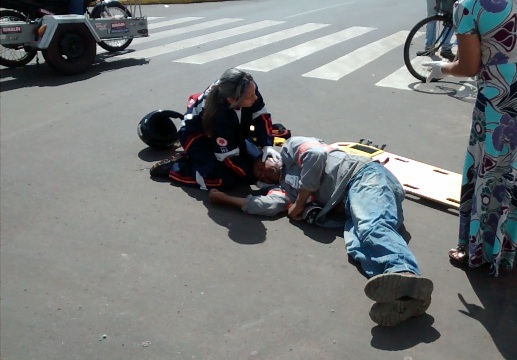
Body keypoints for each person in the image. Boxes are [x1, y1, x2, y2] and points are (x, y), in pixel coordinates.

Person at [208, 136, 434, 327]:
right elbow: (265, 206)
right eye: (260, 178)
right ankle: (406, 298)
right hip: (350, 204)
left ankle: (405, 273)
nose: (264, 175)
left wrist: (301, 200)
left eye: (261, 167)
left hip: (365, 178)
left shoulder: (291, 149)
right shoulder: (284, 189)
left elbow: (315, 155)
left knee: (370, 229)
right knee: (357, 247)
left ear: (268, 156)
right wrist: (224, 199)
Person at [423, 0, 517, 276]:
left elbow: (469, 66)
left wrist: (442, 68)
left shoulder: (469, 6)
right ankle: (512, 247)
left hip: (503, 96)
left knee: (491, 171)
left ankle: (482, 251)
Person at [150, 68, 281, 191]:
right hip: (197, 137)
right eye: (251, 96)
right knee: (225, 180)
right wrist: (253, 179)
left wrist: (266, 145)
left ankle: (199, 159)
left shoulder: (246, 85)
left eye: (254, 92)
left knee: (256, 159)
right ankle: (177, 167)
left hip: (229, 131)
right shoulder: (219, 116)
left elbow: (261, 114)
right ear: (232, 100)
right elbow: (229, 158)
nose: (255, 97)